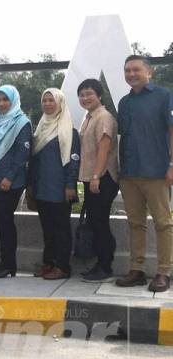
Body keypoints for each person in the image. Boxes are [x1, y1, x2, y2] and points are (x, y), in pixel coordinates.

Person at [115, 55, 173, 292]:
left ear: (148, 72)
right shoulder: (124, 103)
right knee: (135, 223)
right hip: (129, 173)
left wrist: (172, 164)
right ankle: (137, 270)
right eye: (127, 70)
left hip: (157, 171)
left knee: (163, 223)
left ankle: (164, 272)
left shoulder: (163, 96)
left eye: (136, 70)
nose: (131, 74)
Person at [29, 88, 80, 280]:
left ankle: (62, 266)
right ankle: (48, 263)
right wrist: (31, 187)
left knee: (61, 230)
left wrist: (70, 185)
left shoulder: (69, 131)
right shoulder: (40, 129)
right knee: (47, 229)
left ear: (60, 103)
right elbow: (34, 162)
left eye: (52, 100)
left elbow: (74, 160)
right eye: (45, 100)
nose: (48, 104)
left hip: (60, 190)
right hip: (42, 189)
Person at [76, 79, 119, 283]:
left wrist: (96, 176)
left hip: (103, 177)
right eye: (82, 94)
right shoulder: (89, 117)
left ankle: (106, 265)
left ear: (99, 95)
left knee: (99, 221)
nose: (85, 98)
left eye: (89, 94)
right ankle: (101, 263)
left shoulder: (103, 117)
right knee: (95, 221)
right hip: (93, 177)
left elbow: (104, 148)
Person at [0, 85, 31, 278]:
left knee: (5, 220)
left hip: (10, 181)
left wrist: (9, 178)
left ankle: (8, 264)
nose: (1, 103)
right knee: (1, 220)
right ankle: (5, 263)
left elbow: (23, 154)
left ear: (13, 101)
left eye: (5, 100)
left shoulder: (22, 122)